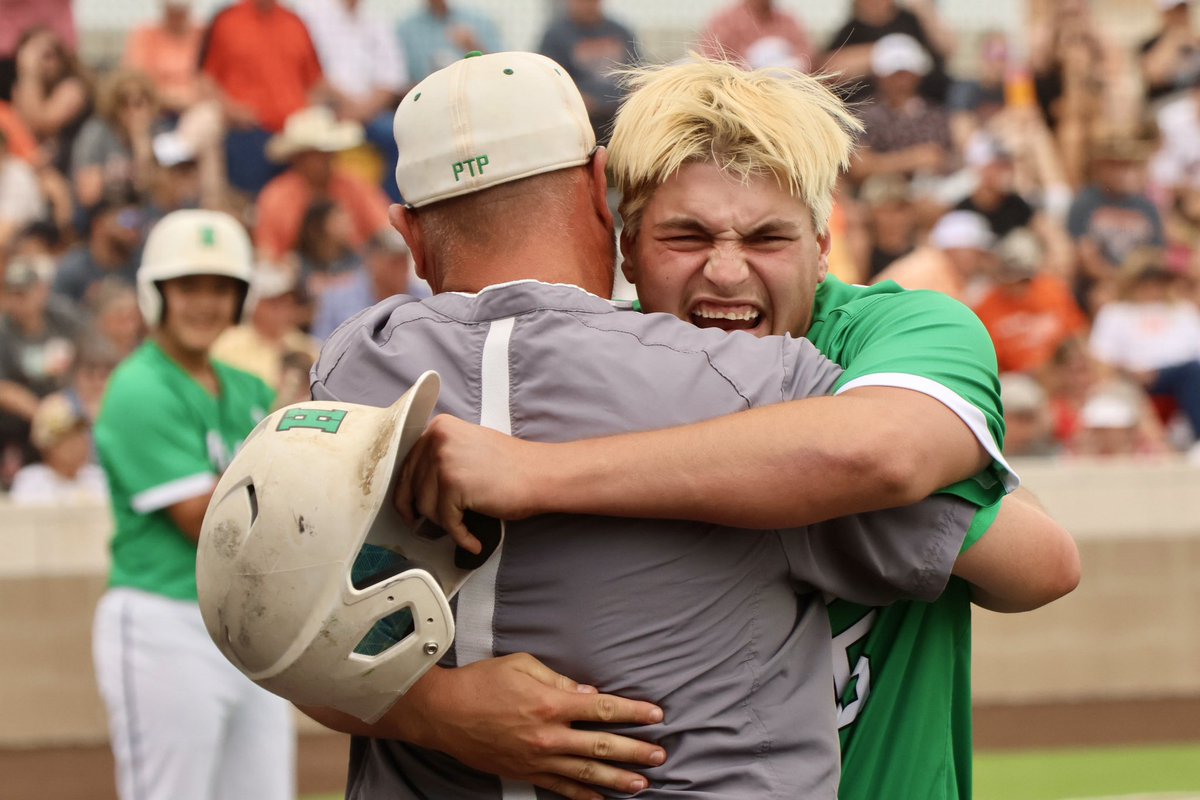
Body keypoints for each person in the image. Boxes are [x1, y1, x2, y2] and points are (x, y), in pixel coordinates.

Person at [390, 57, 1078, 800]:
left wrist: (536, 473)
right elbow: (303, 610)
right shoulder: (575, 374)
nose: (725, 272)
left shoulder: (902, 332)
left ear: (822, 248)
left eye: (767, 239)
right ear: (627, 245)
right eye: (685, 237)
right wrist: (433, 709)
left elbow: (901, 465)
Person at [91, 209, 294, 800]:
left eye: (220, 288)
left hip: (248, 627)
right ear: (157, 295)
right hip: (165, 621)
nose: (205, 303)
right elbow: (211, 525)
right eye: (188, 288)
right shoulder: (138, 387)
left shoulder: (245, 388)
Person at [198, 0, 324, 194]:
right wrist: (231, 110)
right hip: (248, 132)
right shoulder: (226, 21)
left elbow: (315, 82)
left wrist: (307, 118)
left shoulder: (295, 23)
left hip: (294, 137)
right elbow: (206, 79)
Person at [295, 0, 408, 203]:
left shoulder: (376, 23)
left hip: (368, 112)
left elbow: (391, 80)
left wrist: (362, 110)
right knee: (309, 141)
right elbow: (310, 73)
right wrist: (349, 105)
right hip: (326, 107)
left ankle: (387, 207)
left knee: (402, 136)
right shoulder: (310, 13)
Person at [255, 105, 388, 261]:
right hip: (298, 278)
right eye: (318, 154)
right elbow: (268, 253)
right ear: (298, 158)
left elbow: (385, 230)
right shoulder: (276, 196)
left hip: (356, 273)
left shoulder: (354, 185)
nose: (328, 158)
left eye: (329, 152)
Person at [536, 0, 641, 144]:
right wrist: (577, 100)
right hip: (583, 116)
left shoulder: (620, 31)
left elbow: (637, 75)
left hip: (621, 113)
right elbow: (550, 79)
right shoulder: (556, 35)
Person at [9, 391, 107, 504]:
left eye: (81, 435)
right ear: (47, 446)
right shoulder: (31, 483)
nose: (79, 445)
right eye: (69, 439)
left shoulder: (99, 479)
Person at [396, 0, 503, 84]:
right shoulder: (406, 29)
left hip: (477, 94)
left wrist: (473, 46)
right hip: (427, 99)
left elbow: (502, 69)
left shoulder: (480, 20)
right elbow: (398, 82)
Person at [696, 0, 813, 71]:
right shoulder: (725, 21)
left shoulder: (788, 21)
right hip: (740, 94)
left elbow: (806, 57)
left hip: (784, 92)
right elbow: (711, 61)